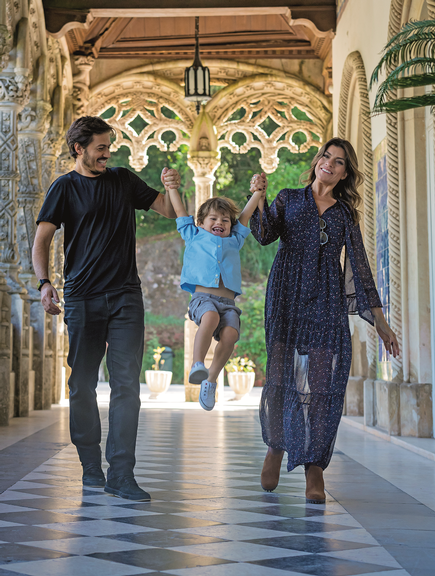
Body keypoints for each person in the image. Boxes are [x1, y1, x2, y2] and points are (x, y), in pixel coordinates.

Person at [32, 116, 180, 502]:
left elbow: (167, 210)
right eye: (100, 147)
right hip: (82, 298)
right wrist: (45, 283)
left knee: (127, 384)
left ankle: (122, 473)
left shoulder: (123, 179)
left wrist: (171, 188)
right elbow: (42, 239)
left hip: (126, 296)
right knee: (81, 383)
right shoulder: (64, 187)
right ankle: (90, 466)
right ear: (79, 148)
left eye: (108, 146)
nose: (107, 153)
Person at [249, 137, 399, 504]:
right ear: (318, 161)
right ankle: (277, 447)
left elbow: (360, 268)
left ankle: (313, 466)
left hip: (327, 299)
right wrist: (259, 196)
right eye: (326, 157)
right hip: (286, 294)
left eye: (339, 162)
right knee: (281, 377)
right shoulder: (288, 198)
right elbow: (264, 234)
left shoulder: (343, 213)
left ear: (346, 173)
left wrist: (380, 321)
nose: (329, 164)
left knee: (323, 382)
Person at [167, 181, 266, 411]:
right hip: (203, 300)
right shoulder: (193, 235)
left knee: (231, 334)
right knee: (209, 318)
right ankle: (197, 364)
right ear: (200, 223)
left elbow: (245, 215)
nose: (219, 222)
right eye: (213, 218)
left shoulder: (235, 239)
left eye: (225, 220)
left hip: (229, 304)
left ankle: (210, 380)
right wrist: (171, 186)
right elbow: (181, 212)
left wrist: (258, 193)